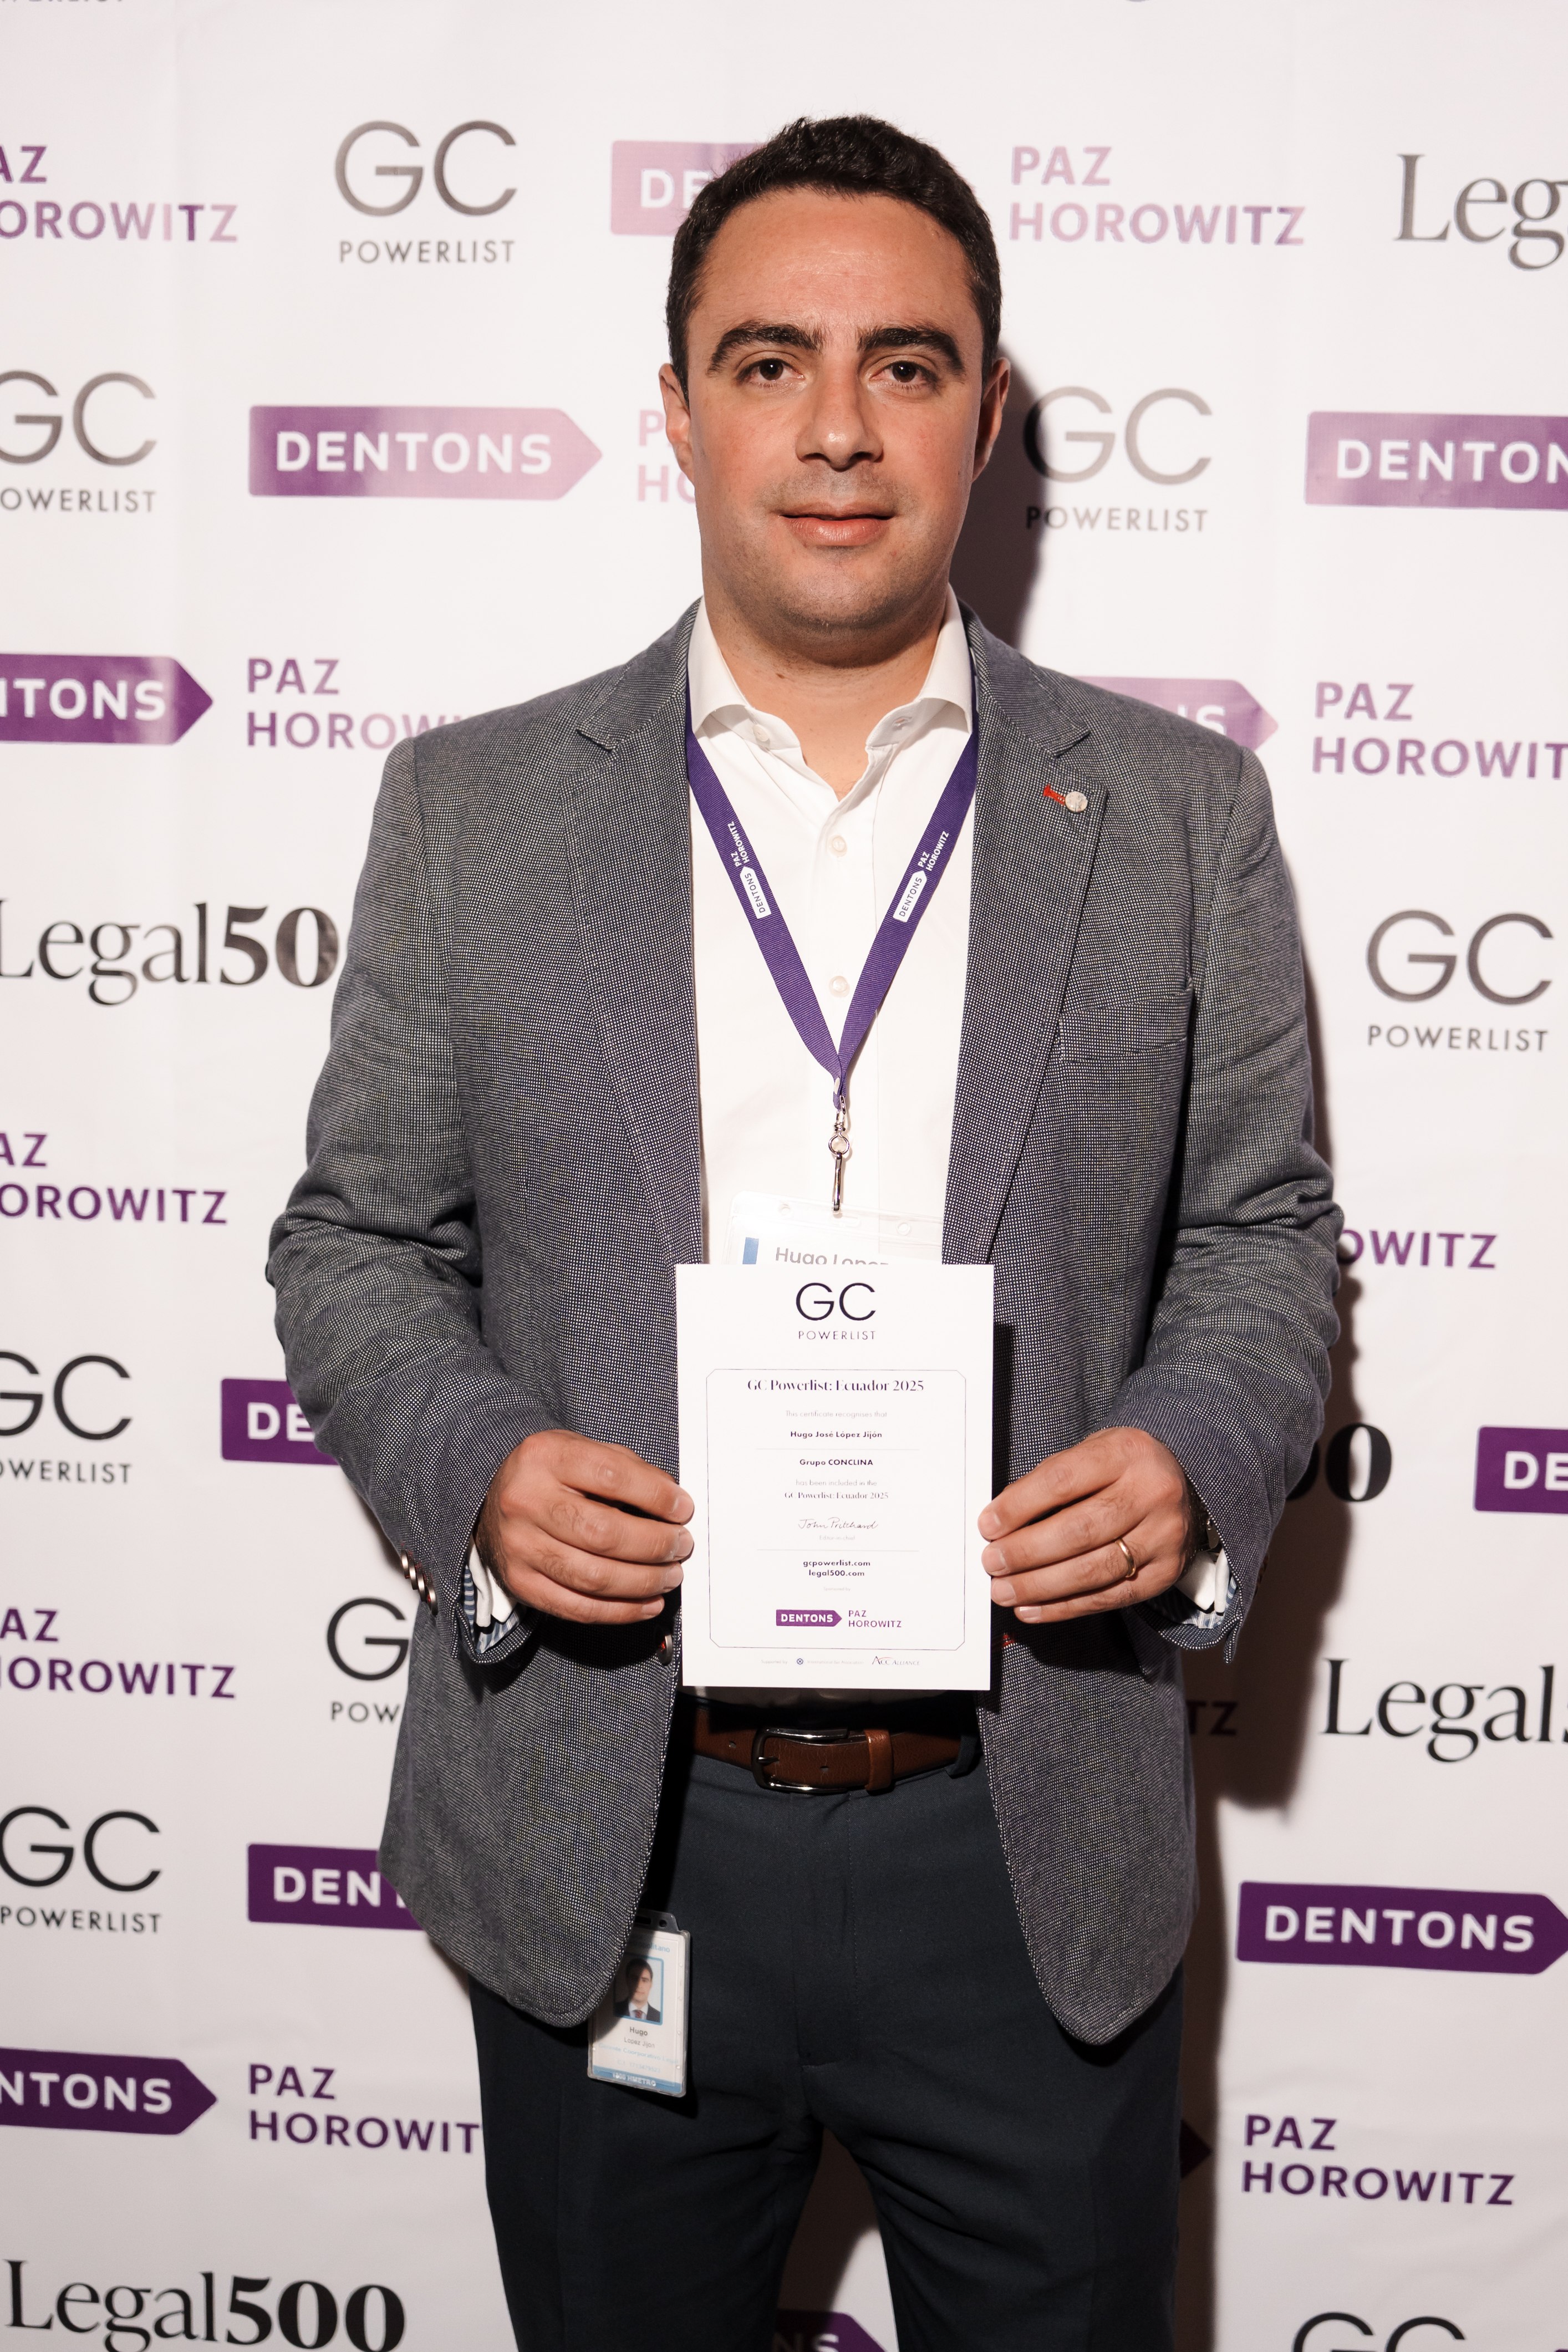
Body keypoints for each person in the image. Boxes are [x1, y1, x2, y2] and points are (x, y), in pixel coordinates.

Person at [269, 114, 1339, 2352]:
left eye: (902, 365)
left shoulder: (1175, 814)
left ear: (984, 409)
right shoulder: (471, 811)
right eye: (768, 362)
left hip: (1020, 1838)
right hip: (614, 1825)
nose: (835, 427)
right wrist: (475, 1465)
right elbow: (355, 1237)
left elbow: (1260, 1232)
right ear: (675, 410)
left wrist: (1182, 1457)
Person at [614, 1960, 660, 2025]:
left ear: (651, 1984)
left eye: (644, 1981)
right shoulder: (614, 2009)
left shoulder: (659, 2017)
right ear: (627, 1980)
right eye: (635, 1979)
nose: (639, 1985)